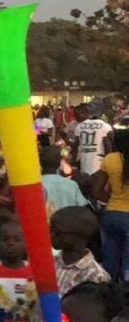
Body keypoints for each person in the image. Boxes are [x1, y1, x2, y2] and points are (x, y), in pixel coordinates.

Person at [24, 206, 112, 322]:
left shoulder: (96, 276)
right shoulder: (48, 264)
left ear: (80, 237)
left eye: (58, 232)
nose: (51, 235)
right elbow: (37, 307)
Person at [91, 126, 129, 280]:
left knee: (109, 263)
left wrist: (113, 200)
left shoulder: (110, 159)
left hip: (111, 214)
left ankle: (108, 296)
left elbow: (96, 191)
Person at [40, 144, 87, 220]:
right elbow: (82, 207)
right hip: (67, 227)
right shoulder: (72, 185)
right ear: (59, 163)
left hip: (43, 228)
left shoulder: (36, 185)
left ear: (40, 163)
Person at [75, 101, 113, 177]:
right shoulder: (105, 126)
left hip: (84, 165)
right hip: (99, 167)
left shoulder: (80, 126)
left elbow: (76, 146)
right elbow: (108, 149)